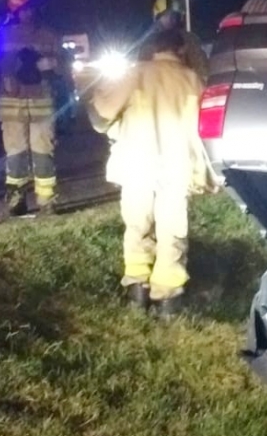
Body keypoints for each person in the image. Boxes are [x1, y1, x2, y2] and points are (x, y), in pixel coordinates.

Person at [90, 26, 219, 316]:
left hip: (137, 162)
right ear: (181, 50)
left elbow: (100, 116)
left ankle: (137, 291)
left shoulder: (135, 73)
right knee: (172, 231)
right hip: (177, 166)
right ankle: (168, 301)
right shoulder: (193, 80)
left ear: (152, 49)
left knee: (137, 225)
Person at [0, 0, 63, 216]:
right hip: (12, 105)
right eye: (22, 10)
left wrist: (53, 65)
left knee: (43, 151)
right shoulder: (2, 36)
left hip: (42, 104)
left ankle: (47, 200)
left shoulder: (49, 36)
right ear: (14, 11)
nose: (26, 14)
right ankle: (17, 199)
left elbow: (65, 69)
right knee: (15, 153)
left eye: (29, 9)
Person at [147, 0, 209, 82]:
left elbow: (202, 70)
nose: (170, 19)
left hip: (183, 88)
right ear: (158, 19)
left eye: (173, 15)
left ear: (179, 17)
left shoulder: (189, 39)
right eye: (165, 15)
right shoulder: (149, 43)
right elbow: (141, 72)